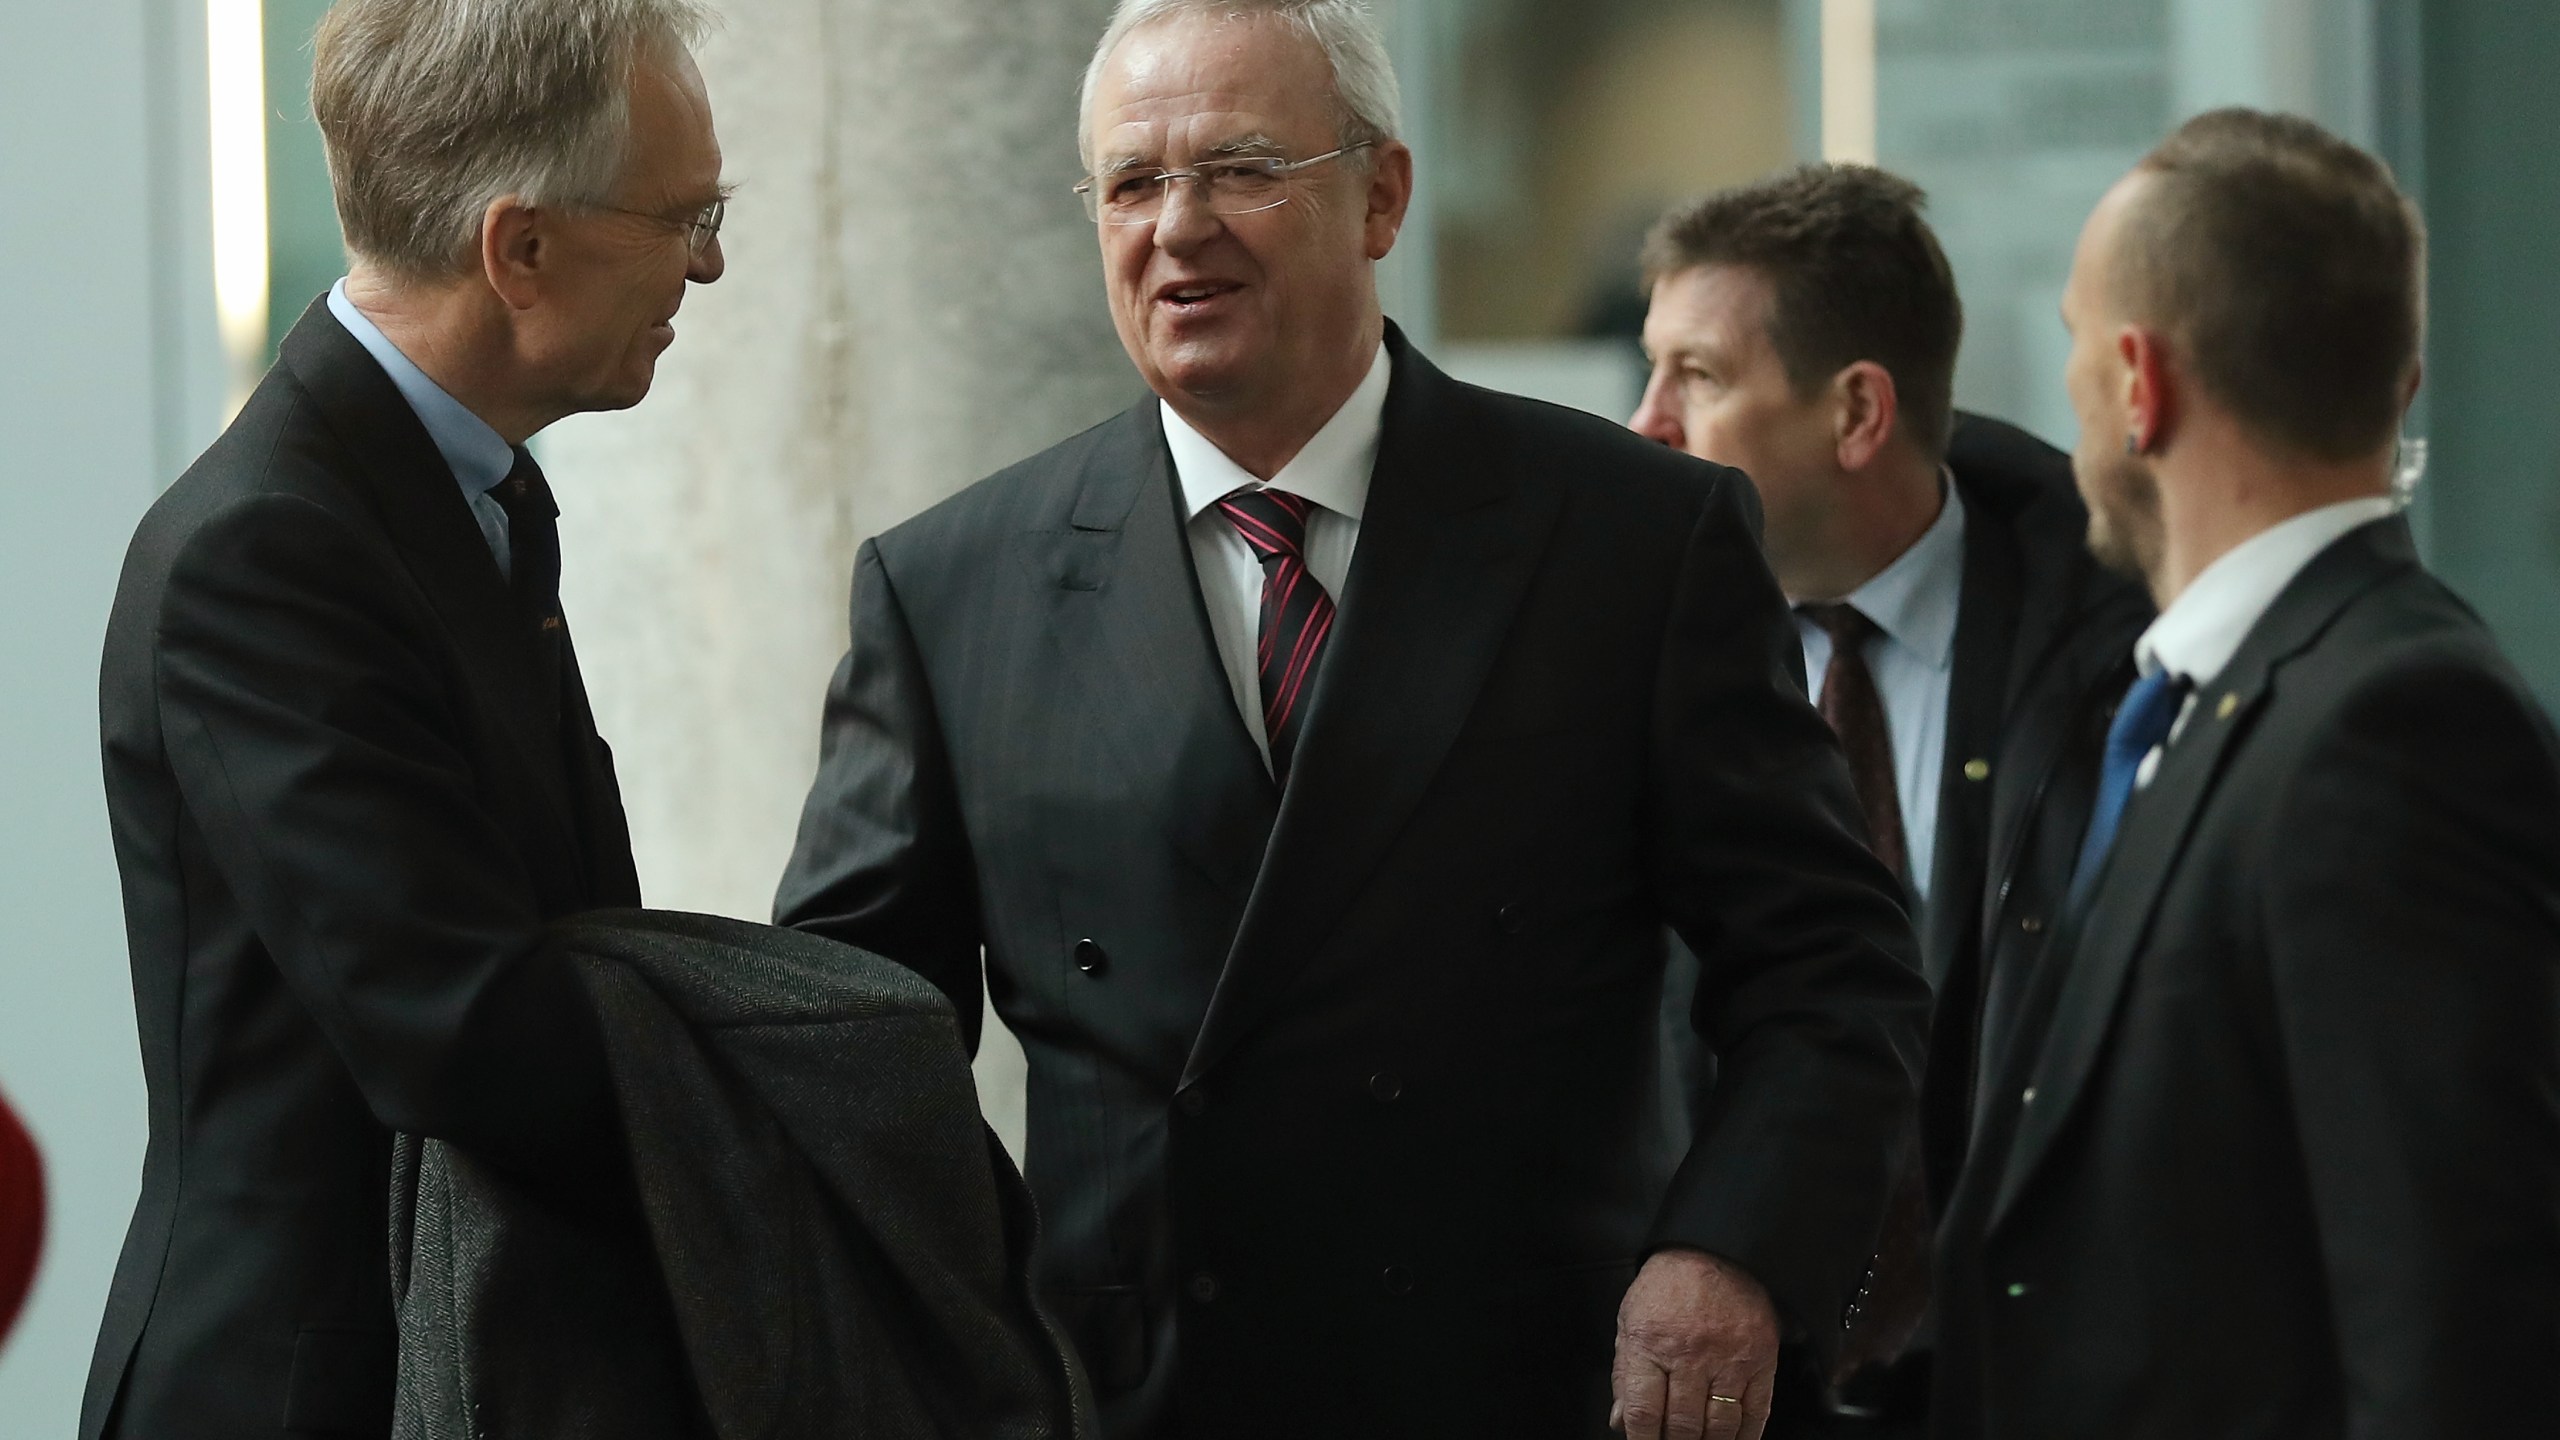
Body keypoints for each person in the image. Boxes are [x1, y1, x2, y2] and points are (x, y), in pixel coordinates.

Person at [776, 2, 1929, 1437]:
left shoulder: (1630, 537)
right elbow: (844, 1046)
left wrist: (1731, 1251)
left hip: (1533, 1381)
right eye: (1134, 182)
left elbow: (1831, 968)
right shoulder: (952, 586)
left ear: (1381, 194)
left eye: (1244, 167)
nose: (1178, 226)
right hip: (1125, 1401)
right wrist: (960, 1334)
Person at [85, 2, 725, 1434]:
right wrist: (809, 1077)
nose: (711, 262)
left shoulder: (456, 491)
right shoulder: (265, 551)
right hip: (315, 1389)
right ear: (522, 249)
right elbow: (466, 1032)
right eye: (687, 215)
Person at [1933, 107, 2560, 1438]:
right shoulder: (2214, 699)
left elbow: (2447, 1313)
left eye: (2071, 345)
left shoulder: (2392, 725)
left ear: (2141, 383)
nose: (2069, 392)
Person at [1629, 166, 2150, 1432]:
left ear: (1857, 413)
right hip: (1728, 1380)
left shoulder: (2129, 647)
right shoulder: (1618, 648)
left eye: (1695, 376)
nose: (1643, 424)